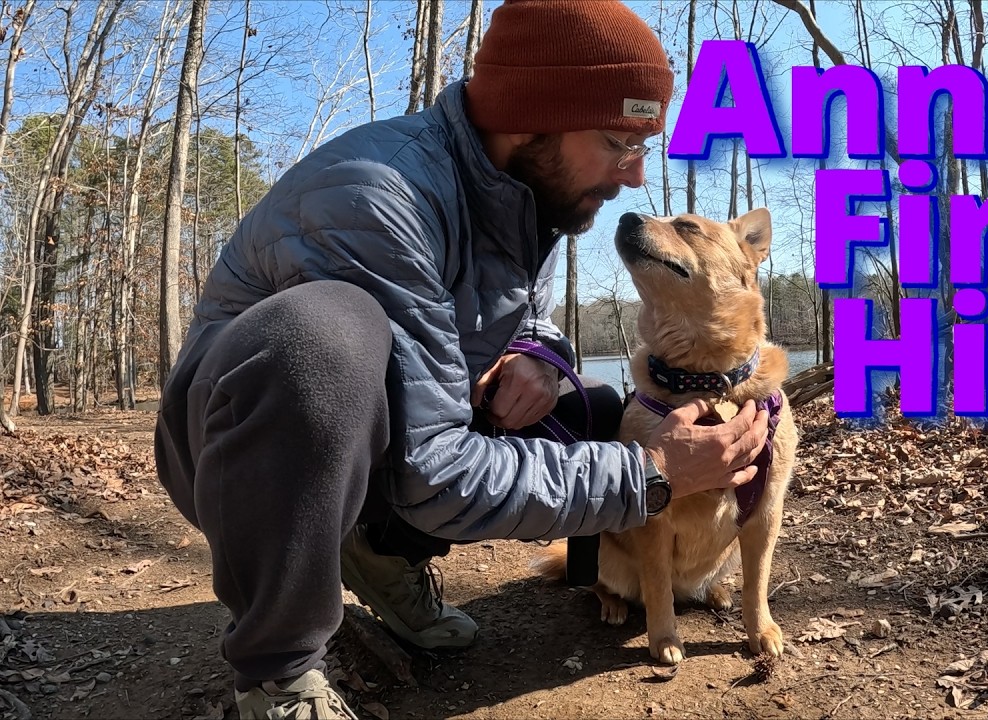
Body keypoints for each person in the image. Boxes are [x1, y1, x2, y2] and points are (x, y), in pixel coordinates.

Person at [152, 1, 773, 718]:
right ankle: (277, 673)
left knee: (598, 408)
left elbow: (523, 319)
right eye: (615, 142)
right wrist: (656, 474)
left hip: (383, 437)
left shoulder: (526, 196)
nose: (633, 177)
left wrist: (539, 354)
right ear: (528, 116)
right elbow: (432, 471)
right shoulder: (376, 192)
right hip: (242, 446)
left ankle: (386, 554)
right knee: (323, 336)